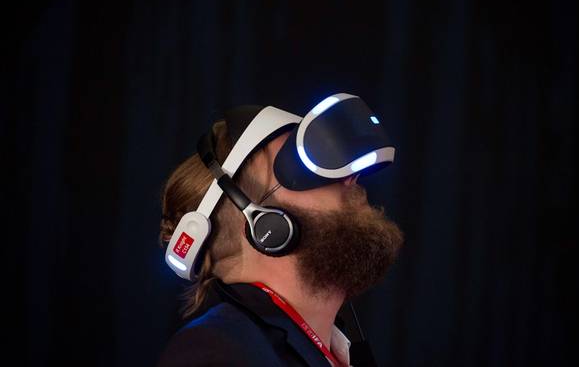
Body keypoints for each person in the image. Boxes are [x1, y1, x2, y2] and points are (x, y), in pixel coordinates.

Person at [158, 107, 404, 366]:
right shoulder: (214, 352)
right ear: (264, 224)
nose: (350, 177)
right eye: (305, 169)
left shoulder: (338, 351)